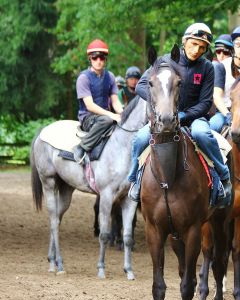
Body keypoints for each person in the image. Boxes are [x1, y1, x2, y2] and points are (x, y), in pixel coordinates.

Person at [128, 22, 232, 204]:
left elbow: (206, 102)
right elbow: (141, 86)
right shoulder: (165, 61)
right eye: (193, 44)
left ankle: (223, 177)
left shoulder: (207, 67)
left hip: (194, 118)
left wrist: (184, 116)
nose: (197, 50)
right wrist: (160, 103)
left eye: (202, 47)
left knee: (203, 135)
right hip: (165, 117)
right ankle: (134, 179)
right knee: (141, 138)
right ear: (184, 42)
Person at [73, 39, 123, 163]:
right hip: (88, 117)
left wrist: (123, 114)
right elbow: (89, 106)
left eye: (101, 58)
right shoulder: (83, 78)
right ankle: (82, 147)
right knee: (107, 120)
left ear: (105, 59)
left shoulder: (110, 76)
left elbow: (115, 102)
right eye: (95, 58)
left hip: (104, 117)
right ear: (90, 59)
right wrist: (112, 115)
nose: (99, 61)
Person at [209, 27, 240, 134]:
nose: (221, 56)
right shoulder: (221, 67)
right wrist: (228, 115)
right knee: (211, 127)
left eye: (224, 52)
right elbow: (217, 96)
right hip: (225, 112)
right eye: (238, 44)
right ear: (234, 47)